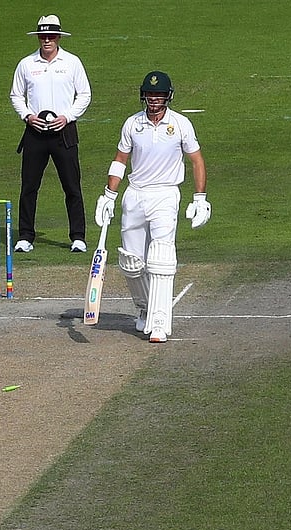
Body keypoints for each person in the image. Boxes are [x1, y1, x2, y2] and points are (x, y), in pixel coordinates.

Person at [94, 71, 210, 343]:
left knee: (160, 255)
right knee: (131, 261)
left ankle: (159, 321)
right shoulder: (132, 124)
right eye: (150, 94)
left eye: (159, 95)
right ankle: (146, 309)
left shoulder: (180, 124)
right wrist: (109, 195)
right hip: (135, 194)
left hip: (166, 194)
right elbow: (120, 160)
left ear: (168, 96)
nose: (154, 99)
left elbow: (197, 160)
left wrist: (200, 198)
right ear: (143, 95)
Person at [9, 14, 92, 254]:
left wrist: (67, 117)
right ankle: (25, 236)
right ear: (38, 38)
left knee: (72, 186)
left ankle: (78, 237)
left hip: (63, 132)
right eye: (42, 36)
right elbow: (16, 95)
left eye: (50, 36)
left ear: (57, 37)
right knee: (29, 187)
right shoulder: (27, 64)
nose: (46, 40)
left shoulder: (72, 62)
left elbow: (84, 94)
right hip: (35, 133)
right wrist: (27, 116)